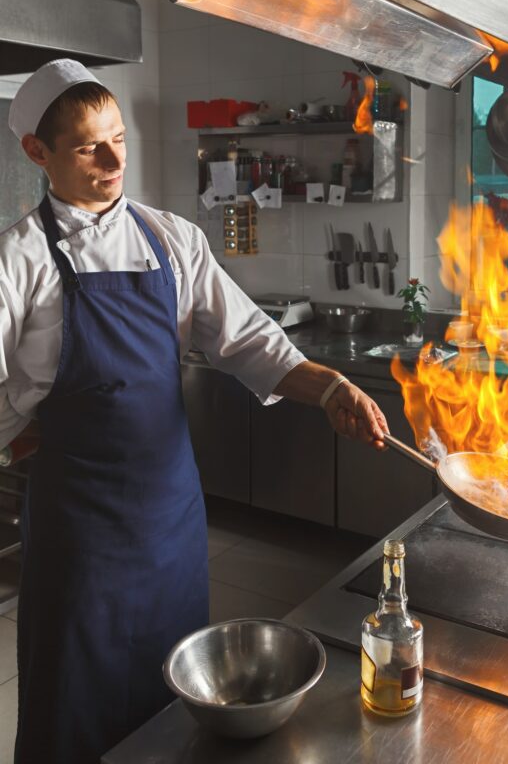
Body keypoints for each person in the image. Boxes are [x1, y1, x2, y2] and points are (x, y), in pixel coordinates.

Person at [0, 59, 389, 764]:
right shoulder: (19, 259)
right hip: (81, 533)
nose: (115, 160)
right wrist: (15, 435)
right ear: (37, 152)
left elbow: (249, 341)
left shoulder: (172, 239)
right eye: (89, 147)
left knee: (172, 695)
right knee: (76, 698)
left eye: (119, 137)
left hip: (170, 522)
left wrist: (332, 388)